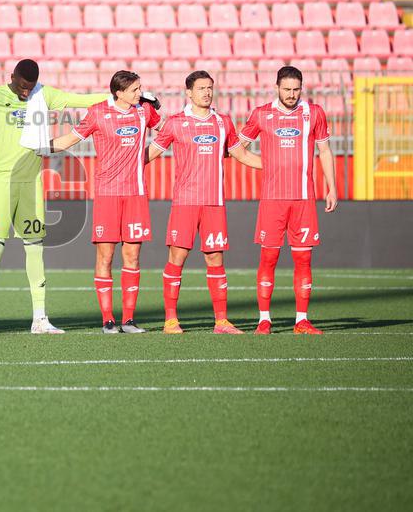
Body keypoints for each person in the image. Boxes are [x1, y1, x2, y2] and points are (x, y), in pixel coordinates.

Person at [0, 59, 110, 335]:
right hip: (1, 183)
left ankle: (40, 318)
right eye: (23, 87)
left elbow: (79, 100)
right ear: (11, 76)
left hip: (31, 184)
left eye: (31, 87)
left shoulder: (43, 94)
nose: (27, 92)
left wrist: (118, 97)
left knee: (35, 248)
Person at [146, 70, 263, 334]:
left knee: (215, 258)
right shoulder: (176, 123)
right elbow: (151, 153)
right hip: (185, 202)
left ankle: (221, 321)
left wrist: (274, 164)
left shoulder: (223, 122)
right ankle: (170, 320)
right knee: (177, 257)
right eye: (201, 88)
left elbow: (241, 154)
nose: (207, 92)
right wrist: (123, 162)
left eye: (210, 87)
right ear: (188, 92)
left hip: (214, 202)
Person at [51, 70, 162, 334]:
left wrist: (144, 156)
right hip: (107, 195)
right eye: (135, 90)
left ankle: (130, 319)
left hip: (136, 193)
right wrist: (37, 146)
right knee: (106, 256)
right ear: (119, 93)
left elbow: (167, 131)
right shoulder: (98, 112)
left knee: (132, 256)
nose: (139, 93)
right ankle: (108, 320)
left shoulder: (144, 111)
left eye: (140, 88)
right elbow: (68, 140)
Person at [237, 65, 338, 335]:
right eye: (287, 89)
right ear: (277, 88)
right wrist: (266, 165)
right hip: (272, 200)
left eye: (296, 89)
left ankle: (301, 320)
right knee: (268, 258)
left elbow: (325, 150)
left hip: (304, 199)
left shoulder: (313, 113)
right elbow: (238, 149)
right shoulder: (261, 114)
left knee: (303, 259)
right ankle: (264, 320)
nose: (292, 94)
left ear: (301, 88)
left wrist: (332, 187)